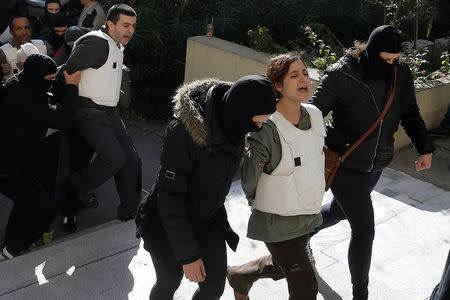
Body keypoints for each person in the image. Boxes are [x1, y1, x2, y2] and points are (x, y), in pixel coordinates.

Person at [308, 25, 435, 299]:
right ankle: (360, 295)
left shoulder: (401, 74)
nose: (390, 64)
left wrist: (425, 148)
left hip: (377, 163)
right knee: (364, 230)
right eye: (385, 59)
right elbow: (312, 115)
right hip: (344, 163)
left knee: (341, 212)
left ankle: (301, 233)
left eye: (395, 59)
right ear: (371, 51)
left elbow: (410, 112)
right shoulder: (343, 74)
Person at [135, 75, 276, 300]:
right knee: (169, 279)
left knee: (213, 287)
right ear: (240, 114)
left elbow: (219, 168)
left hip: (207, 216)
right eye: (257, 122)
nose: (259, 128)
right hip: (165, 222)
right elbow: (170, 197)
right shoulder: (183, 133)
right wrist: (188, 256)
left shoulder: (233, 123)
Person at [227, 53, 324, 300]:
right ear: (278, 86)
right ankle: (240, 276)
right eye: (294, 75)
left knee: (285, 265)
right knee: (305, 285)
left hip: (306, 212)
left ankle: (239, 276)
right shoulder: (268, 126)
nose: (304, 79)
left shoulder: (313, 114)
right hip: (277, 219)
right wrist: (252, 196)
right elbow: (250, 174)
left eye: (305, 72)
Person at [64, 4, 140, 225]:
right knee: (114, 157)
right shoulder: (97, 43)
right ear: (110, 24)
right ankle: (74, 188)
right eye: (125, 25)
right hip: (89, 113)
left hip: (109, 114)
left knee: (131, 161)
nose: (130, 30)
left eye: (133, 26)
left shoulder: (116, 44)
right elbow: (69, 70)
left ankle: (130, 213)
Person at [0, 54, 79, 258]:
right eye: (50, 79)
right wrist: (71, 87)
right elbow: (66, 120)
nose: (52, 83)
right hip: (9, 168)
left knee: (27, 201)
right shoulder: (25, 100)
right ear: (38, 78)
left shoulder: (20, 84)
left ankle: (10, 245)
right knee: (44, 207)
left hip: (16, 163)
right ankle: (13, 249)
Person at [0, 16, 54, 81]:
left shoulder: (44, 45)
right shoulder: (3, 51)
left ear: (31, 29)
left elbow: (55, 66)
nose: (24, 33)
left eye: (27, 28)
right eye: (19, 29)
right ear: (12, 32)